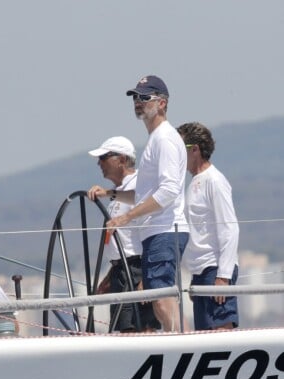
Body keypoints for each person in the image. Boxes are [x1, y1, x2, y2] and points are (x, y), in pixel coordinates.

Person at [88, 75, 189, 332]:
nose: (138, 102)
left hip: (165, 229)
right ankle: (174, 340)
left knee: (161, 298)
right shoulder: (155, 140)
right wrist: (110, 194)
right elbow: (144, 193)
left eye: (145, 97)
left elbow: (168, 191)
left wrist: (127, 217)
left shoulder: (164, 139)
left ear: (162, 103)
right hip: (155, 232)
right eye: (135, 97)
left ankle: (177, 345)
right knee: (157, 298)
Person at [87, 136, 160, 332]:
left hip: (137, 270)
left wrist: (147, 278)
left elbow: (151, 231)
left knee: (140, 329)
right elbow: (122, 243)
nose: (99, 163)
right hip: (121, 272)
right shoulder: (118, 193)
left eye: (104, 157)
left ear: (121, 159)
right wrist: (110, 277)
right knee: (124, 329)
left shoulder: (140, 186)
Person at [176, 122, 239, 330]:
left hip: (216, 269)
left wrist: (223, 277)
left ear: (195, 149)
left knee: (221, 336)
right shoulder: (193, 182)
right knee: (204, 338)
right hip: (201, 271)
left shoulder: (215, 181)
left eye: (180, 148)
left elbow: (229, 228)